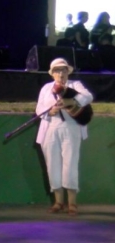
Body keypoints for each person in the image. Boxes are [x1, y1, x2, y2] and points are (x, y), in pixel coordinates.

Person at [35, 58, 93, 216]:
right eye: (57, 71)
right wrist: (50, 111)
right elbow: (39, 108)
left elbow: (88, 97)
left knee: (70, 163)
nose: (60, 73)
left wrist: (69, 100)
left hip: (71, 128)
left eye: (63, 70)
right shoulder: (46, 88)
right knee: (52, 164)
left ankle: (72, 203)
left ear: (68, 72)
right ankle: (58, 201)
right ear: (52, 73)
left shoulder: (75, 85)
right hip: (51, 129)